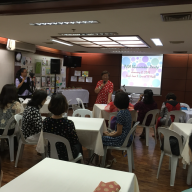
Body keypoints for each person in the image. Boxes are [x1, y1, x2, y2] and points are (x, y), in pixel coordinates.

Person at [43, 93, 82, 161]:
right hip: (68, 154)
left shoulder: (46, 121)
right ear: (65, 106)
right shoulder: (68, 123)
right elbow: (75, 140)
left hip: (52, 152)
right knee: (79, 144)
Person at [102, 92, 132, 166]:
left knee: (100, 139)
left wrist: (109, 134)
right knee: (105, 135)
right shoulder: (126, 111)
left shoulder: (120, 113)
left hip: (121, 140)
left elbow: (118, 132)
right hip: (127, 138)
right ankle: (109, 158)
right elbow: (119, 131)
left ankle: (105, 160)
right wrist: (110, 134)